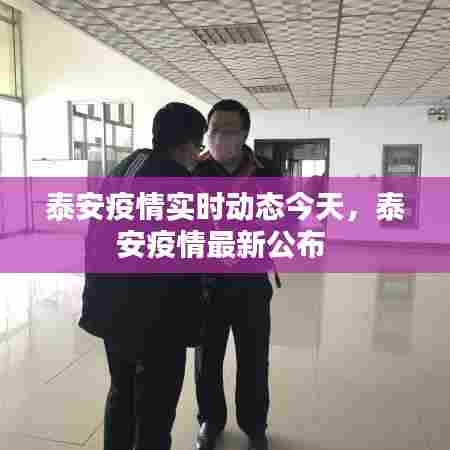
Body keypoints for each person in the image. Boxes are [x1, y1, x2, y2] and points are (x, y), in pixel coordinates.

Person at [79, 102, 207, 450]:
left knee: (121, 392)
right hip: (158, 318)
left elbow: (97, 239)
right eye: (198, 147)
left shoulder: (124, 169)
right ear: (187, 145)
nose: (198, 156)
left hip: (113, 310)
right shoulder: (181, 185)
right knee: (157, 407)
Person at [193, 99, 281, 450]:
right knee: (207, 360)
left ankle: (255, 426)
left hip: (251, 282)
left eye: (229, 131)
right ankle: (210, 420)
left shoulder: (267, 171)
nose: (220, 138)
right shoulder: (195, 171)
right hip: (207, 285)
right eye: (214, 130)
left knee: (254, 360)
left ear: (244, 134)